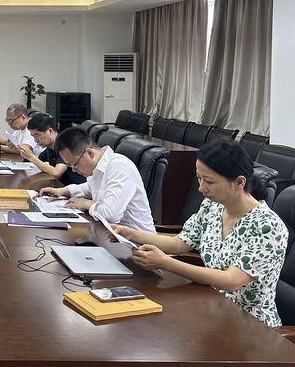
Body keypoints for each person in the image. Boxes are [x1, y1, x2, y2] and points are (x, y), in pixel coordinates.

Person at [114, 140, 288, 327]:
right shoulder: (213, 206)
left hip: (251, 324)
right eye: (199, 178)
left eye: (210, 181)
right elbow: (179, 243)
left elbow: (231, 281)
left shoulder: (267, 226)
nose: (201, 188)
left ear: (239, 182)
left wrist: (166, 263)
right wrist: (131, 234)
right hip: (213, 307)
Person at [37, 126, 156, 234]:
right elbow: (89, 188)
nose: (74, 169)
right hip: (110, 235)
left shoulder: (120, 167)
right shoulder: (96, 166)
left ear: (89, 153)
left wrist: (85, 203)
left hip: (136, 243)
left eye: (74, 164)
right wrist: (62, 191)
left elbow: (111, 215)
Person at [18, 113, 86, 186]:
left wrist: (31, 156)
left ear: (50, 131)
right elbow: (38, 159)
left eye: (37, 135)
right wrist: (25, 154)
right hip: (60, 186)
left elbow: (56, 173)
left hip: (77, 188)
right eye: (33, 136)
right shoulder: (50, 147)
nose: (35, 140)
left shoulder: (65, 145)